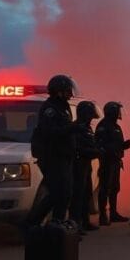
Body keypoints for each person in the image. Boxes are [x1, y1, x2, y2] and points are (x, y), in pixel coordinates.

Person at [26, 74, 81, 227]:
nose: (70, 94)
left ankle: (57, 223)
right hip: (53, 157)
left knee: (65, 193)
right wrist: (72, 127)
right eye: (67, 91)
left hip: (63, 156)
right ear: (59, 91)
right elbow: (51, 132)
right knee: (57, 193)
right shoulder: (50, 109)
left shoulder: (63, 107)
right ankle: (32, 223)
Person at [94, 101, 130, 226]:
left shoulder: (116, 126)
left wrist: (122, 146)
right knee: (105, 188)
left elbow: (116, 144)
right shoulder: (103, 126)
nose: (119, 113)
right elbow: (101, 145)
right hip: (107, 162)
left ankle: (113, 213)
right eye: (117, 111)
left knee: (115, 188)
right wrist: (119, 147)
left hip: (115, 161)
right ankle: (103, 215)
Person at [69, 101, 101, 233]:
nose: (91, 119)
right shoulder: (76, 128)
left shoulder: (87, 128)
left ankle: (85, 221)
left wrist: (97, 150)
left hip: (86, 165)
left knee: (87, 193)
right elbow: (77, 148)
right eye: (89, 116)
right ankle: (75, 224)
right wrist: (95, 152)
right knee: (78, 195)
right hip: (78, 165)